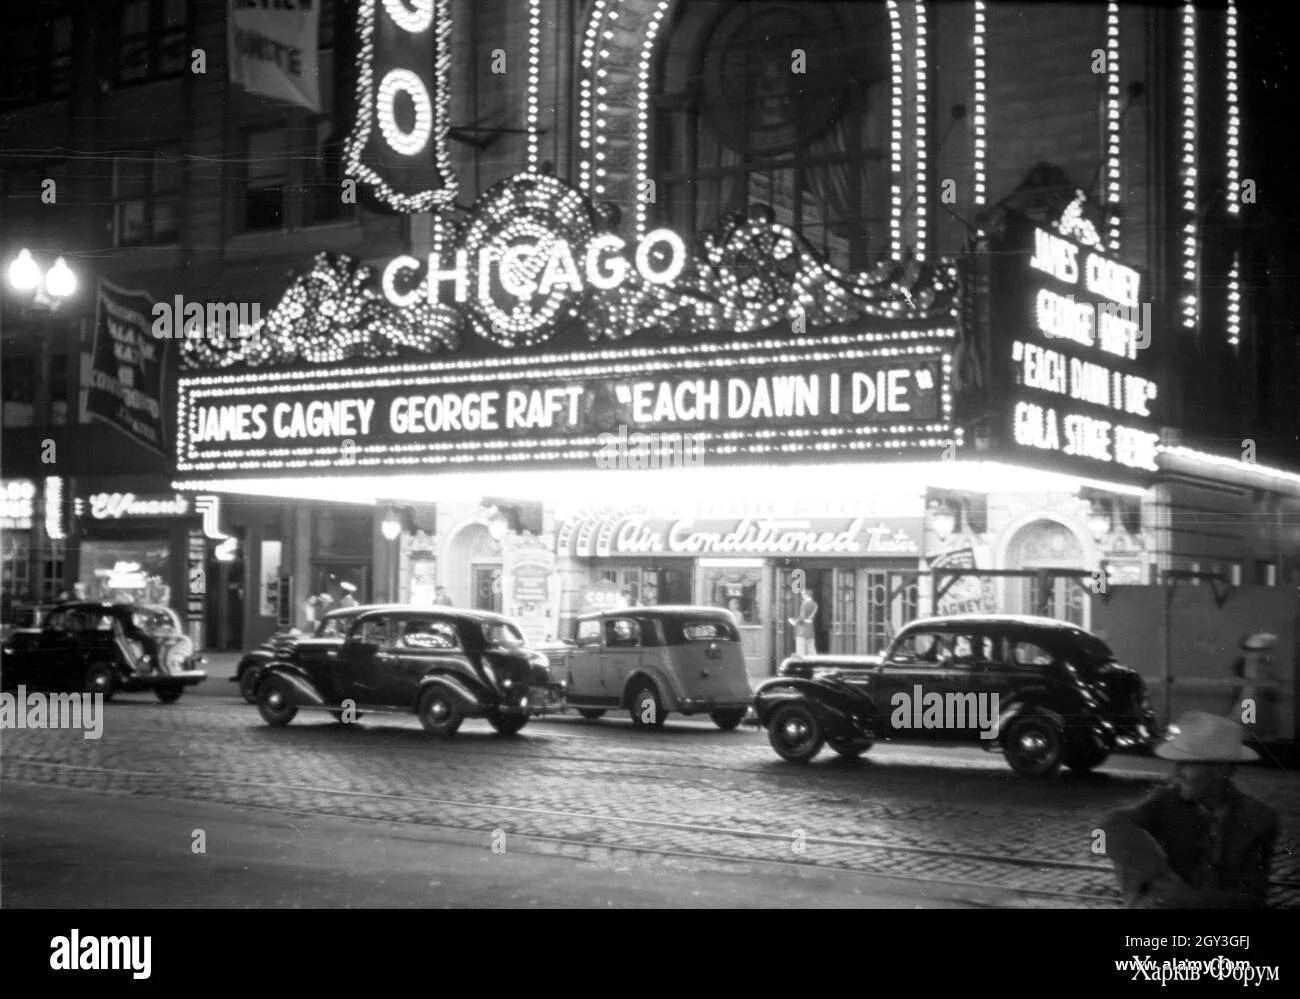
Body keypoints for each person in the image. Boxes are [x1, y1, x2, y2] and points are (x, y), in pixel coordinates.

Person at [1100, 711, 1279, 909]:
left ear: (1220, 770)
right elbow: (1111, 825)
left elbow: (1253, 900)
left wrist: (1192, 898)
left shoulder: (1259, 819)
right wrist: (1156, 872)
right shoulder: (1166, 801)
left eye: (1187, 764)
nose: (1177, 773)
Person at [1228, 632, 1280, 744]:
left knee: (1262, 733)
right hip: (1249, 700)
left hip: (1260, 704)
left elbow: (1273, 689)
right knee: (1249, 731)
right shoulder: (1244, 663)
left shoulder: (1265, 663)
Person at [790, 591, 818, 656]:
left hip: (802, 630)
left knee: (800, 652)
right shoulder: (815, 604)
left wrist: (795, 622)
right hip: (810, 629)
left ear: (807, 595)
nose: (802, 596)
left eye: (803, 595)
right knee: (811, 651)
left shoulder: (804, 604)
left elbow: (802, 617)